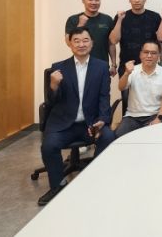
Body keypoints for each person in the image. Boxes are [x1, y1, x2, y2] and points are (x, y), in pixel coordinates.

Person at [39, 27, 115, 206]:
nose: (81, 44)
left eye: (85, 40)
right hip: (63, 123)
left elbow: (104, 97)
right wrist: (53, 85)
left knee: (108, 137)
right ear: (70, 44)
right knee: (48, 146)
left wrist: (103, 119)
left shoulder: (101, 67)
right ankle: (57, 186)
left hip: (90, 124)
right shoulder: (58, 67)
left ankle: (95, 180)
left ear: (92, 43)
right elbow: (51, 102)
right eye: (77, 41)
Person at [110, 0, 162, 111]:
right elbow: (113, 40)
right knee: (127, 101)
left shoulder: (155, 17)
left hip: (150, 66)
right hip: (127, 66)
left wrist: (160, 59)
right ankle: (127, 121)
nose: (137, 0)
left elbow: (161, 41)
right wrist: (119, 20)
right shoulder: (121, 16)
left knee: (150, 101)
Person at [115, 40, 162, 138]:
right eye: (146, 52)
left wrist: (159, 118)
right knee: (119, 136)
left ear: (159, 55)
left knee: (153, 138)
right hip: (132, 116)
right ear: (140, 54)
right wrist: (126, 73)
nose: (149, 56)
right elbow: (121, 87)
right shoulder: (133, 71)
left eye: (153, 53)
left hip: (153, 115)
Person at [64, 0, 116, 75]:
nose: (94, 2)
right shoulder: (73, 19)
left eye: (97, 0)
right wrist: (80, 25)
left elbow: (111, 44)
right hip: (80, 66)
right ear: (83, 0)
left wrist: (114, 65)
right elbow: (69, 43)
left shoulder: (107, 19)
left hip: (102, 66)